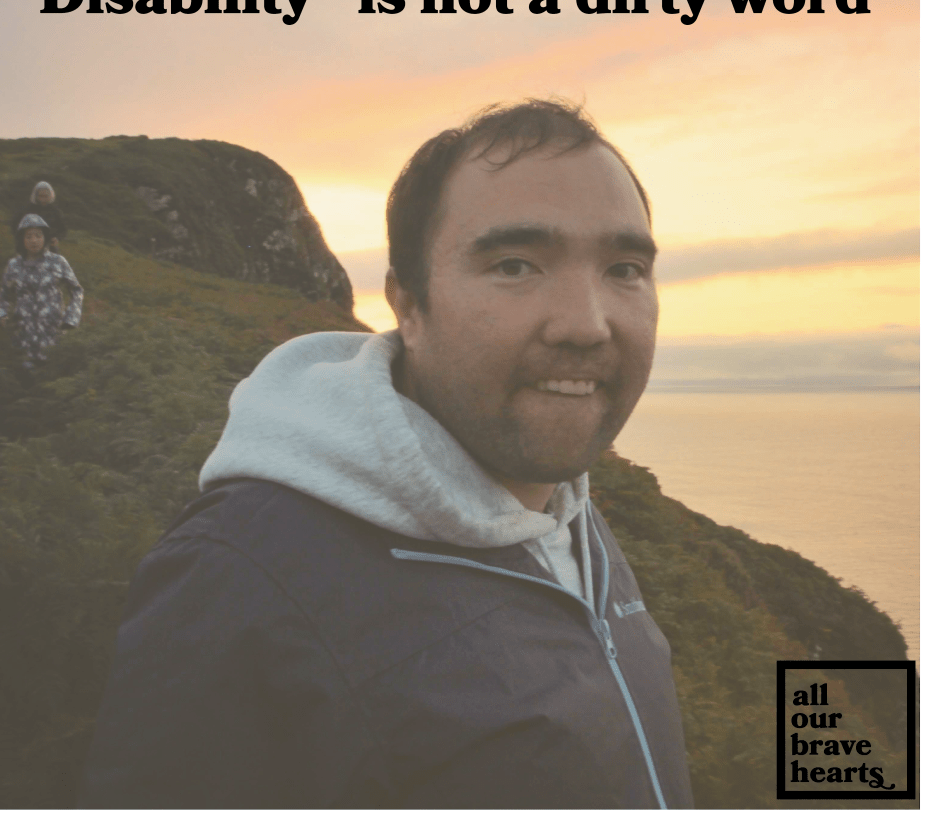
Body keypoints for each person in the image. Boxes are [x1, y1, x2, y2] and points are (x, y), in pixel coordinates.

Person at [80, 100, 694, 809]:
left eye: (624, 268)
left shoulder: (571, 516)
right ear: (408, 305)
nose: (586, 324)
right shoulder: (239, 580)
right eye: (515, 265)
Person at [0, 213, 83, 369]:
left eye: (38, 235)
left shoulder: (58, 261)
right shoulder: (14, 265)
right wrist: (2, 314)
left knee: (53, 373)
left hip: (53, 332)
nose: (34, 240)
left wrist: (71, 318)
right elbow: (4, 293)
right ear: (22, 240)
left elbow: (76, 290)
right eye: (28, 236)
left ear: (45, 237)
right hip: (23, 335)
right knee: (24, 374)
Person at [11, 181, 67, 252]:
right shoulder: (27, 210)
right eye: (41, 196)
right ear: (36, 196)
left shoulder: (55, 211)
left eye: (46, 196)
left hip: (49, 246)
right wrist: (22, 239)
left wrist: (57, 238)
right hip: (29, 246)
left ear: (51, 196)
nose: (43, 199)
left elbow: (63, 229)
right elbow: (15, 225)